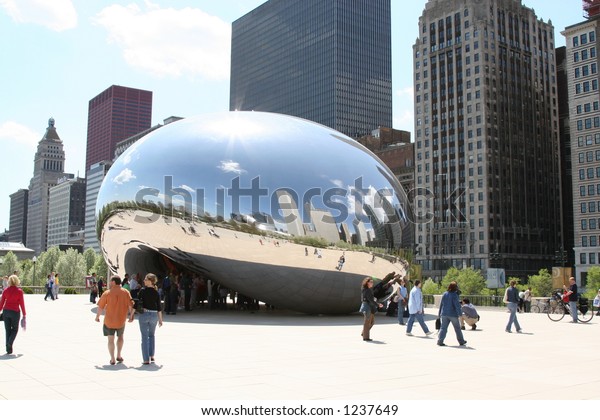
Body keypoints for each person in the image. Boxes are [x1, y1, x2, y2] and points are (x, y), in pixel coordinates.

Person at [95, 275, 134, 365]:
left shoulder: (107, 293)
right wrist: (131, 316)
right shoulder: (126, 292)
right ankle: (119, 355)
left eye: (110, 281)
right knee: (120, 337)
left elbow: (100, 307)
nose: (109, 283)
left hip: (109, 321)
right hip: (121, 320)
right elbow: (130, 305)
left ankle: (112, 358)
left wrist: (97, 317)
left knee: (110, 340)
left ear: (113, 282)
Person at [130, 273, 163, 365]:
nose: (144, 281)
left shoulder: (142, 291)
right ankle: (152, 355)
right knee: (151, 335)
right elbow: (159, 307)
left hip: (144, 315)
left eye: (145, 279)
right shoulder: (156, 292)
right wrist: (160, 320)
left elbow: (136, 304)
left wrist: (131, 315)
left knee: (144, 337)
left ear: (150, 281)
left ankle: (146, 359)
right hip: (153, 315)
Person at [0, 275, 26, 354]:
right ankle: (10, 343)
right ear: (17, 281)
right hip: (15, 312)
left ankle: (8, 349)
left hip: (6, 312)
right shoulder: (19, 291)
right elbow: (22, 304)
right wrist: (24, 314)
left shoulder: (5, 290)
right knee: (15, 329)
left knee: (7, 330)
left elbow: (1, 303)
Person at [437, 281, 467, 346]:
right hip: (453, 314)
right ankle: (461, 341)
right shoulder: (454, 295)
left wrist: (439, 314)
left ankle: (440, 341)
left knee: (443, 328)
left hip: (444, 314)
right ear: (455, 287)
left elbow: (441, 304)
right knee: (457, 328)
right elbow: (457, 306)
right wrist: (460, 314)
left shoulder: (445, 294)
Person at [359, 277, 382, 342]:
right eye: (371, 282)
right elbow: (370, 300)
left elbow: (369, 299)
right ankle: (366, 337)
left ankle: (364, 333)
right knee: (367, 322)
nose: (372, 283)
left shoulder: (367, 289)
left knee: (371, 322)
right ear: (367, 283)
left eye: (372, 282)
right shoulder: (367, 290)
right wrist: (378, 304)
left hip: (369, 307)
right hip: (367, 307)